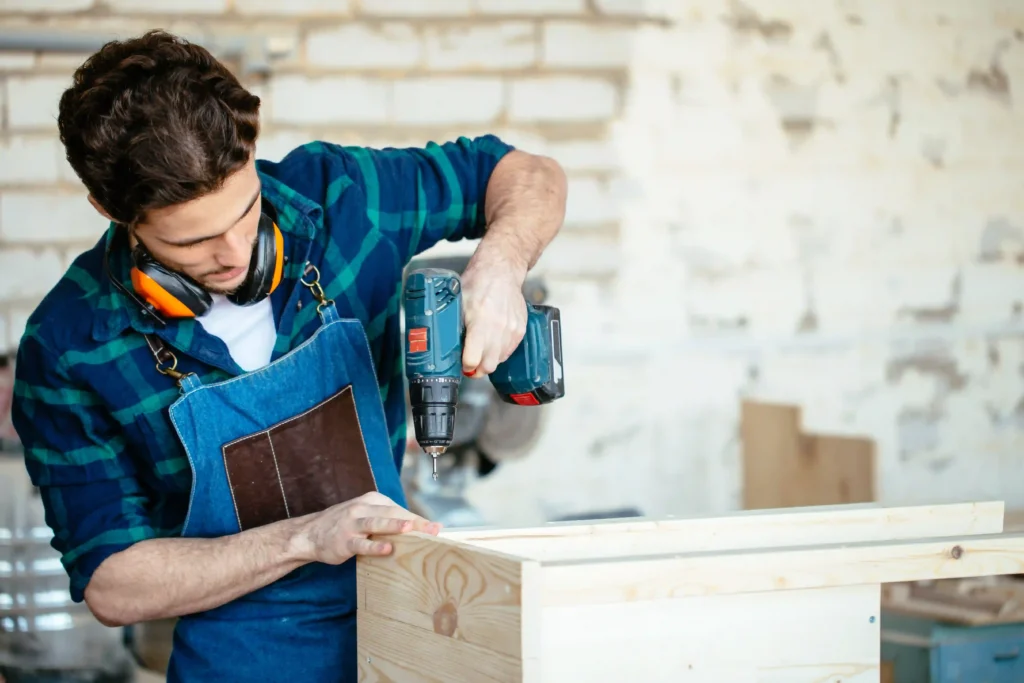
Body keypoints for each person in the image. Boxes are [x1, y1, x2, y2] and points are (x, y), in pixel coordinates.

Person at [10, 30, 566, 682]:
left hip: (404, 629)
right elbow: (112, 582)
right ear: (110, 210)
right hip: (243, 663)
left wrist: (502, 261)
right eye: (194, 243)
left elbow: (526, 173)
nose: (238, 253)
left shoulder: (339, 201)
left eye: (245, 212)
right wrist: (307, 537)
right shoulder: (73, 344)